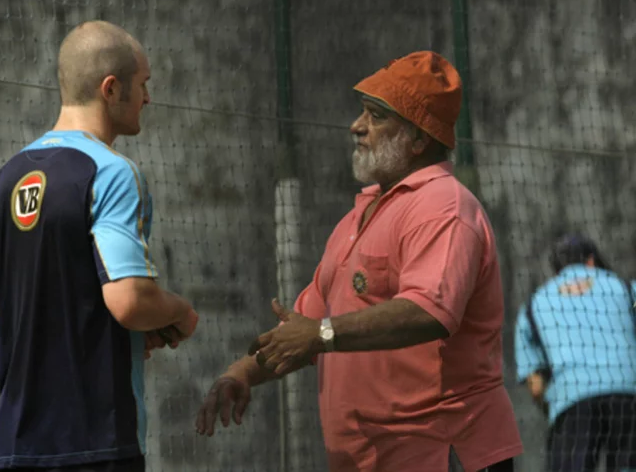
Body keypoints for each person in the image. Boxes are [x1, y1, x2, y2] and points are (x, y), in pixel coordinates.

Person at [195, 51, 523, 471]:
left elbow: (429, 311)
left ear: (419, 138)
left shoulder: (443, 206)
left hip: (442, 454)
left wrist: (322, 334)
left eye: (376, 116)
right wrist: (242, 372)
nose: (356, 126)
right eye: (362, 112)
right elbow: (304, 326)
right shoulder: (360, 215)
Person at [0, 20, 199, 472]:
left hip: (18, 446)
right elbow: (130, 301)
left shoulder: (8, 177)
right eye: (143, 85)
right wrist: (179, 312)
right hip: (97, 441)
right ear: (111, 88)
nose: (149, 99)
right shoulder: (112, 172)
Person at [515, 233, 636, 472]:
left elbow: (536, 385)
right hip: (629, 393)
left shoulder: (533, 305)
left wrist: (557, 409)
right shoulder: (625, 287)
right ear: (591, 261)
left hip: (572, 399)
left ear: (557, 269)